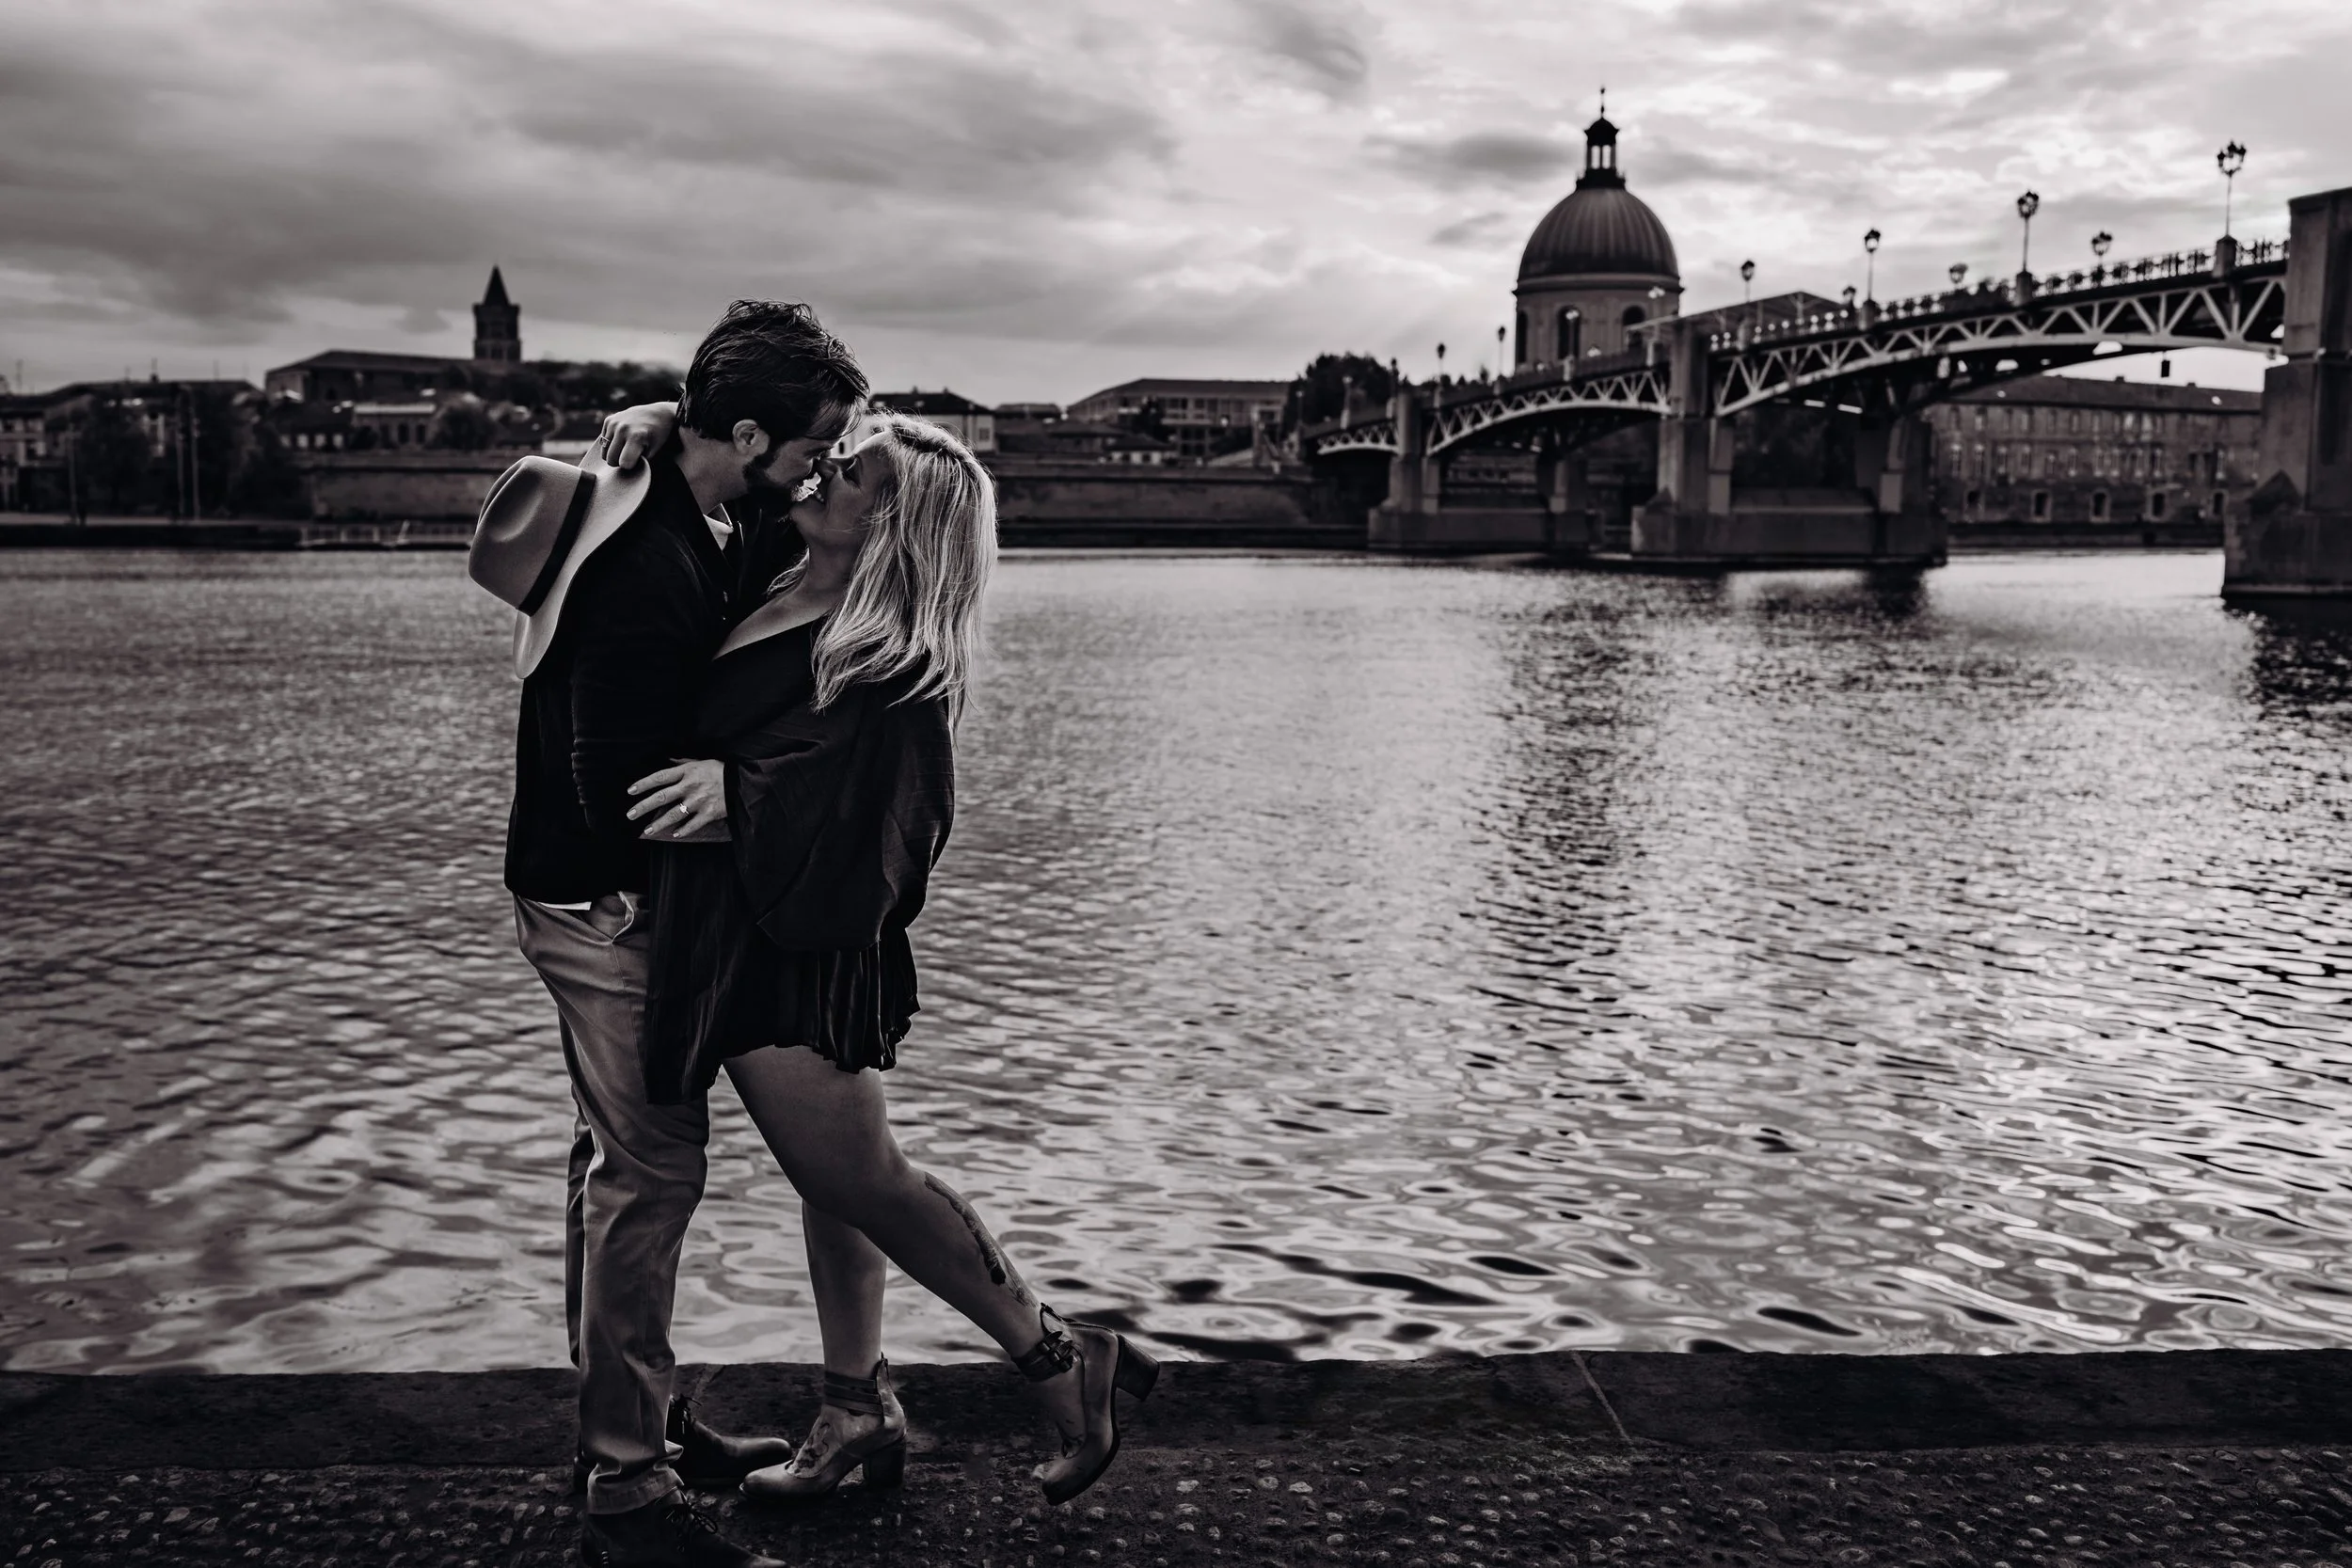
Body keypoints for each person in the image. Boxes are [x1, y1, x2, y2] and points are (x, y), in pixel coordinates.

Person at [605, 404, 1158, 1508]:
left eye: (852, 471)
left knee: (859, 1177)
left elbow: (903, 829)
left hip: (799, 950)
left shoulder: (894, 660)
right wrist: (666, 420)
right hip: (735, 932)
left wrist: (744, 796)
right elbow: (730, 461)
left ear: (895, 525)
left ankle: (1059, 1354)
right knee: (841, 1184)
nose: (825, 471)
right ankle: (856, 1407)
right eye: (838, 454)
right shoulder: (771, 566)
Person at [473, 301, 871, 1568]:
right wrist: (771, 808)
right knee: (649, 1176)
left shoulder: (710, 499)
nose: (820, 465)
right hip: (600, 908)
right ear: (746, 433)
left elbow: (774, 514)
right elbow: (616, 793)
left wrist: (655, 414)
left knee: (613, 1168)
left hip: (596, 902)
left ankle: (633, 1421)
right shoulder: (645, 562)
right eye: (810, 443)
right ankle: (627, 1485)